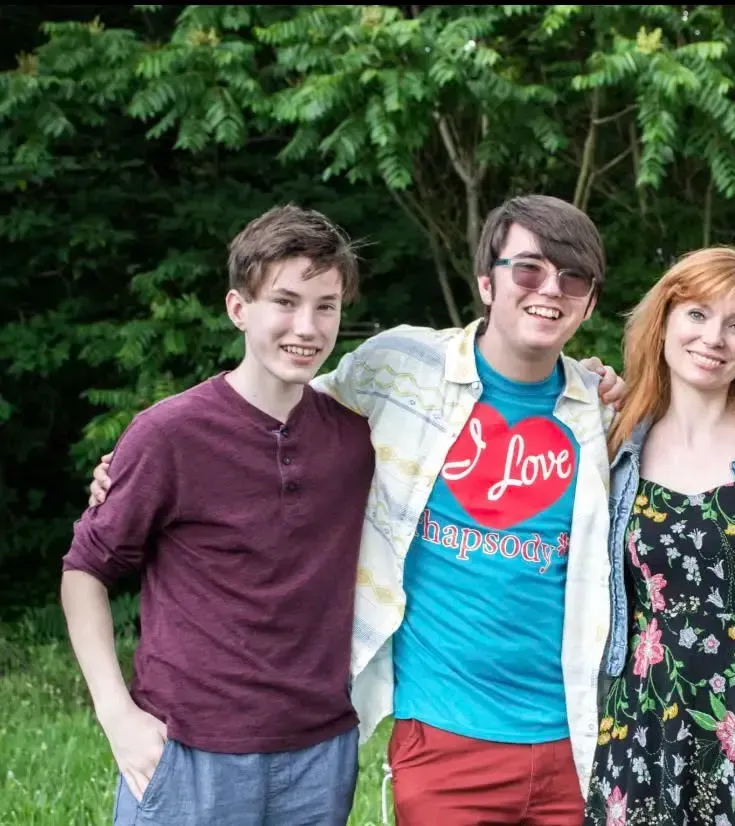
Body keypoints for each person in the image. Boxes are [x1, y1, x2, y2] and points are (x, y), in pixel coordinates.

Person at [84, 194, 627, 826]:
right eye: (528, 270)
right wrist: (126, 469)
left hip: (575, 732)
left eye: (574, 278)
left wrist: (603, 384)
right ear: (487, 281)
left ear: (590, 301)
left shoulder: (605, 414)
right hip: (440, 734)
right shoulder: (400, 369)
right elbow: (279, 407)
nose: (549, 290)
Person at [63, 204, 376, 825]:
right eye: (285, 302)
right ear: (239, 309)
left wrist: (584, 380)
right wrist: (116, 715)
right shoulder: (168, 435)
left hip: (320, 752)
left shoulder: (357, 440)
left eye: (326, 306)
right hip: (187, 751)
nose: (307, 326)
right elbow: (84, 573)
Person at [587, 247, 735, 826]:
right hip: (640, 721)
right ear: (663, 321)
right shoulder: (611, 443)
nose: (714, 338)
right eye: (697, 315)